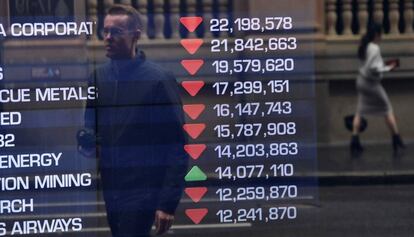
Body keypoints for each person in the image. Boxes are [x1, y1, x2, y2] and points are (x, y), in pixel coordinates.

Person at [79, 4, 187, 237]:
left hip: (143, 191)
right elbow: (91, 130)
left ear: (135, 35)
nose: (108, 37)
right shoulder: (98, 78)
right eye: (105, 31)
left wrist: (167, 203)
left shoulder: (158, 80)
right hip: (111, 188)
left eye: (116, 32)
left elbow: (177, 146)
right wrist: (87, 143)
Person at [351, 23, 405, 154]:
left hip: (361, 82)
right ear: (376, 35)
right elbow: (373, 67)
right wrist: (388, 68)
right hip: (371, 84)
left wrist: (382, 65)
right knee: (387, 109)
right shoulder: (374, 48)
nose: (381, 37)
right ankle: (396, 139)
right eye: (380, 34)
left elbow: (369, 64)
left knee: (360, 111)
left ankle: (354, 141)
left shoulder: (365, 45)